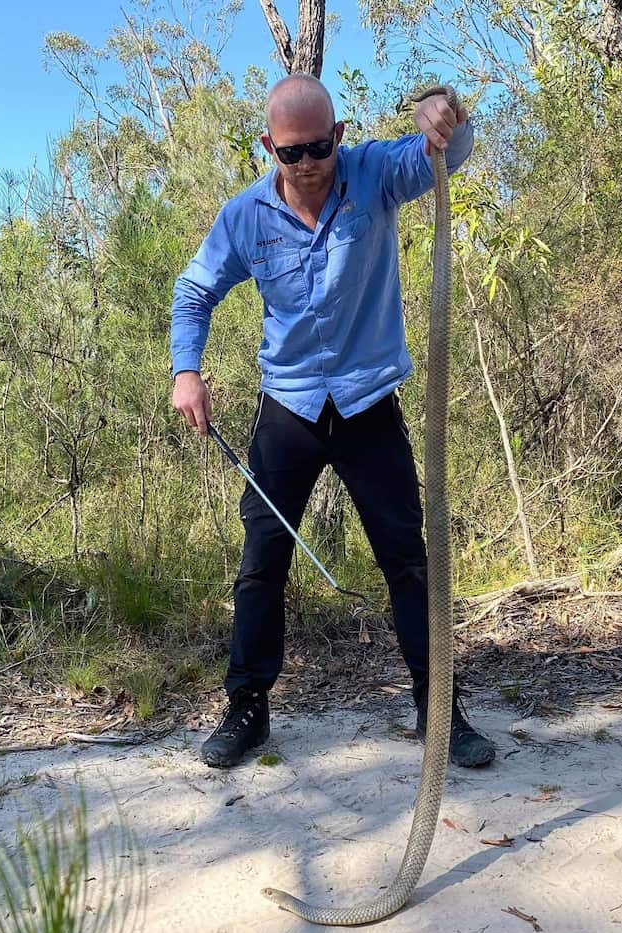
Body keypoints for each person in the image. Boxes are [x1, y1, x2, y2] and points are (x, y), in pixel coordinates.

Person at [171, 73, 495, 769]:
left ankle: (439, 710)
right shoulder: (245, 217)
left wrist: (445, 113)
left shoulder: (374, 173)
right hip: (286, 409)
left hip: (368, 404)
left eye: (319, 146)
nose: (308, 163)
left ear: (338, 135)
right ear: (269, 147)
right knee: (261, 564)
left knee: (409, 560)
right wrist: (186, 371)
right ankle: (247, 710)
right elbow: (195, 290)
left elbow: (450, 151)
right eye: (291, 152)